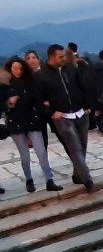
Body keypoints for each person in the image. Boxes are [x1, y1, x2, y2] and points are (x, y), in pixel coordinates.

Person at [37, 43, 96, 192]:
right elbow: (39, 99)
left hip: (81, 112)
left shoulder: (71, 68)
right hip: (62, 116)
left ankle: (78, 174)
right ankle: (87, 179)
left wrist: (89, 105)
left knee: (82, 146)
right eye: (60, 56)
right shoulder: (41, 75)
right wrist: (51, 112)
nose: (64, 58)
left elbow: (83, 87)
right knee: (74, 147)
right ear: (52, 57)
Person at [2, 57, 62, 192]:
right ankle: (29, 180)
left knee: (41, 151)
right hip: (15, 123)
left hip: (32, 120)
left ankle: (49, 179)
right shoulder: (5, 85)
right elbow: (2, 105)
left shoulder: (30, 82)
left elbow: (38, 100)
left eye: (21, 69)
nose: (18, 71)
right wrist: (9, 103)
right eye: (15, 69)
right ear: (10, 69)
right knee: (24, 155)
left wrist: (48, 111)